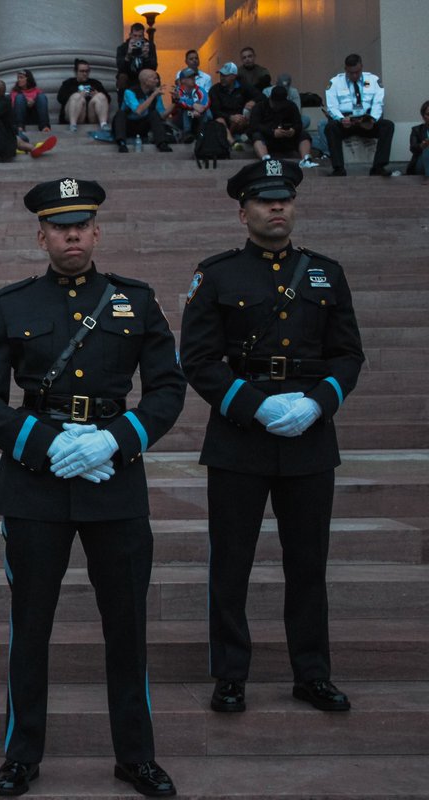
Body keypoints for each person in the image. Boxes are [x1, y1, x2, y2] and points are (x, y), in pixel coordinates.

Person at [0, 177, 185, 799]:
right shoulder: (12, 304)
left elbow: (168, 388)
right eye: (58, 226)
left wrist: (118, 438)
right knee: (30, 625)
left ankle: (136, 755)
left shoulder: (136, 301)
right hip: (35, 485)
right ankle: (21, 753)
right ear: (41, 235)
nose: (71, 235)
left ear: (97, 232)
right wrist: (46, 443)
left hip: (114, 480)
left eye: (81, 225)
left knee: (127, 624)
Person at [180, 160, 365, 719]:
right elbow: (198, 359)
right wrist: (255, 405)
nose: (276, 208)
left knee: (308, 563)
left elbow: (349, 353)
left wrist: (319, 402)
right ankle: (231, 674)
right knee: (231, 562)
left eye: (283, 199)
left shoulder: (326, 274)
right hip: (240, 436)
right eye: (264, 201)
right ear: (244, 212)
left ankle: (312, 673)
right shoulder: (216, 275)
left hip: (309, 435)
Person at [323, 53, 395, 177]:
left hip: (366, 121)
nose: (354, 75)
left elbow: (378, 103)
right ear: (345, 69)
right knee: (330, 128)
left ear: (362, 67)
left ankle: (378, 167)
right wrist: (340, 119)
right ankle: (338, 169)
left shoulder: (373, 80)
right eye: (351, 73)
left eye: (357, 72)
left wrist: (373, 118)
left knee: (387, 126)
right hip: (346, 122)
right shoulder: (335, 83)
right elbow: (332, 106)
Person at [249, 84, 316, 167]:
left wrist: (293, 130)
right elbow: (254, 126)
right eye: (276, 104)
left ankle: (306, 159)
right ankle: (266, 160)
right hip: (268, 139)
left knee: (304, 135)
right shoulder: (259, 107)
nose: (278, 107)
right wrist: (272, 132)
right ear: (270, 99)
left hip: (287, 139)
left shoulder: (291, 106)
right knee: (257, 135)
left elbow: (298, 124)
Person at [113, 68, 172, 153]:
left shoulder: (155, 94)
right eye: (154, 78)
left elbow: (162, 115)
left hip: (143, 126)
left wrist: (175, 102)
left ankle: (162, 144)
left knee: (154, 114)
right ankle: (122, 144)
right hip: (128, 125)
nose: (157, 81)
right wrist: (153, 95)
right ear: (145, 81)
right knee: (120, 114)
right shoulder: (129, 92)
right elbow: (138, 110)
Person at [209, 62, 258, 148]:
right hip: (224, 121)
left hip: (241, 120)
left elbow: (262, 97)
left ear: (234, 76)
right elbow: (215, 111)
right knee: (219, 121)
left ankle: (244, 136)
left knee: (249, 114)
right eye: (221, 75)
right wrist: (230, 117)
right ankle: (233, 143)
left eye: (225, 75)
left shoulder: (244, 86)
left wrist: (253, 101)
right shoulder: (215, 89)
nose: (222, 78)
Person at [56, 59, 111, 131]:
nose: (85, 73)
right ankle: (73, 126)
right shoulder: (68, 83)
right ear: (76, 72)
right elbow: (60, 98)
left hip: (91, 116)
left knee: (100, 96)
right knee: (77, 97)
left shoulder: (95, 83)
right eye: (82, 71)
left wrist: (96, 94)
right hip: (76, 115)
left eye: (87, 71)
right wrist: (78, 94)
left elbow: (108, 99)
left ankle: (103, 124)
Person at [115, 23, 157, 94]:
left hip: (144, 75)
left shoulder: (149, 46)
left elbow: (154, 67)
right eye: (135, 36)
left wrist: (146, 56)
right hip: (129, 75)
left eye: (140, 36)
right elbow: (120, 68)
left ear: (143, 36)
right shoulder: (122, 48)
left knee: (154, 77)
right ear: (130, 35)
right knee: (122, 77)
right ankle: (122, 103)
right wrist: (128, 55)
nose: (137, 39)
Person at [168, 68, 208, 142]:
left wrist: (196, 109)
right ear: (183, 80)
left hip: (198, 115)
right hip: (183, 117)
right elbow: (181, 105)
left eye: (194, 77)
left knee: (207, 113)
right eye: (190, 77)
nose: (193, 79)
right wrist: (193, 106)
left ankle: (203, 134)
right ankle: (187, 134)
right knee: (186, 112)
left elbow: (204, 106)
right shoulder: (178, 91)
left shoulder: (200, 90)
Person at [10, 69, 50, 135]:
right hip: (21, 118)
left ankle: (44, 126)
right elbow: (13, 107)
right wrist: (25, 103)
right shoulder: (14, 92)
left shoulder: (37, 91)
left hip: (34, 117)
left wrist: (33, 103)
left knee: (42, 97)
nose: (19, 80)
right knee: (19, 97)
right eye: (18, 78)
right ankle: (19, 127)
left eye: (21, 77)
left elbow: (42, 105)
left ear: (28, 79)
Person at [406, 100, 429, 182]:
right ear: (423, 117)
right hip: (422, 163)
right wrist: (422, 146)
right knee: (427, 148)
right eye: (428, 114)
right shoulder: (417, 130)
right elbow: (412, 148)